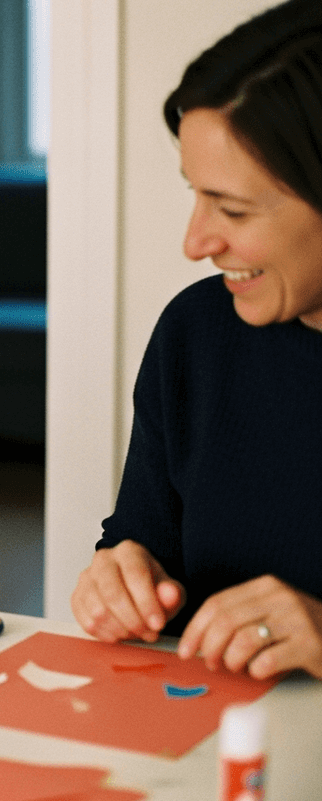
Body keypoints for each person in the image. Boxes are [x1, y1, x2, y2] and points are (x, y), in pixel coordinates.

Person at [71, 0, 322, 679]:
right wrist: (120, 572)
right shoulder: (197, 333)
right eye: (195, 193)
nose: (195, 242)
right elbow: (142, 539)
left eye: (233, 209)